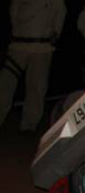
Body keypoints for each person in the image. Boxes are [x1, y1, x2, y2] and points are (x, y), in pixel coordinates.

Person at [0, 0, 66, 132]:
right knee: (5, 85)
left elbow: (60, 13)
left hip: (42, 48)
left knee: (37, 87)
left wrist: (55, 34)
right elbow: (14, 10)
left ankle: (29, 125)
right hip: (19, 46)